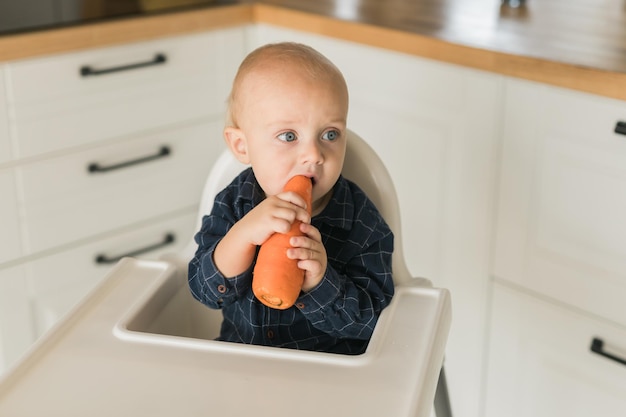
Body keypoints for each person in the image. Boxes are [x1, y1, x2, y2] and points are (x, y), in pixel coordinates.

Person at [188, 42, 394, 355]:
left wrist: (320, 282)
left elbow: (376, 321)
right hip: (240, 363)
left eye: (330, 134)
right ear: (242, 146)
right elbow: (203, 290)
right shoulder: (234, 203)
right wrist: (241, 237)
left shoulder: (360, 220)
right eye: (288, 136)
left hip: (327, 375)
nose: (314, 155)